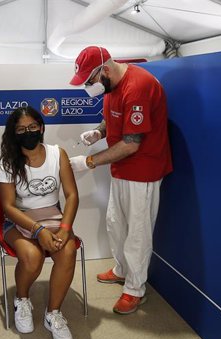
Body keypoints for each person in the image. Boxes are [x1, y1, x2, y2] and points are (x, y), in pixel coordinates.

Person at [68, 46, 173, 315]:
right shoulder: (111, 85)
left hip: (143, 169)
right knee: (116, 223)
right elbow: (112, 117)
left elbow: (131, 144)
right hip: (122, 169)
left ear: (103, 70)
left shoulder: (138, 86)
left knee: (138, 231)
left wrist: (88, 162)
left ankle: (135, 289)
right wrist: (98, 131)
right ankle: (121, 270)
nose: (89, 87)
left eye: (89, 81)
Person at [0, 107, 79, 339]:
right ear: (14, 133)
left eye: (33, 127)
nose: (28, 132)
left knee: (67, 250)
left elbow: (72, 195)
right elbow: (8, 206)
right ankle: (21, 299)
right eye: (21, 129)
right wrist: (38, 231)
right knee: (33, 257)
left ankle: (53, 314)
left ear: (42, 128)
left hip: (54, 217)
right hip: (19, 220)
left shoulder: (58, 154)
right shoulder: (8, 162)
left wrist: (64, 228)